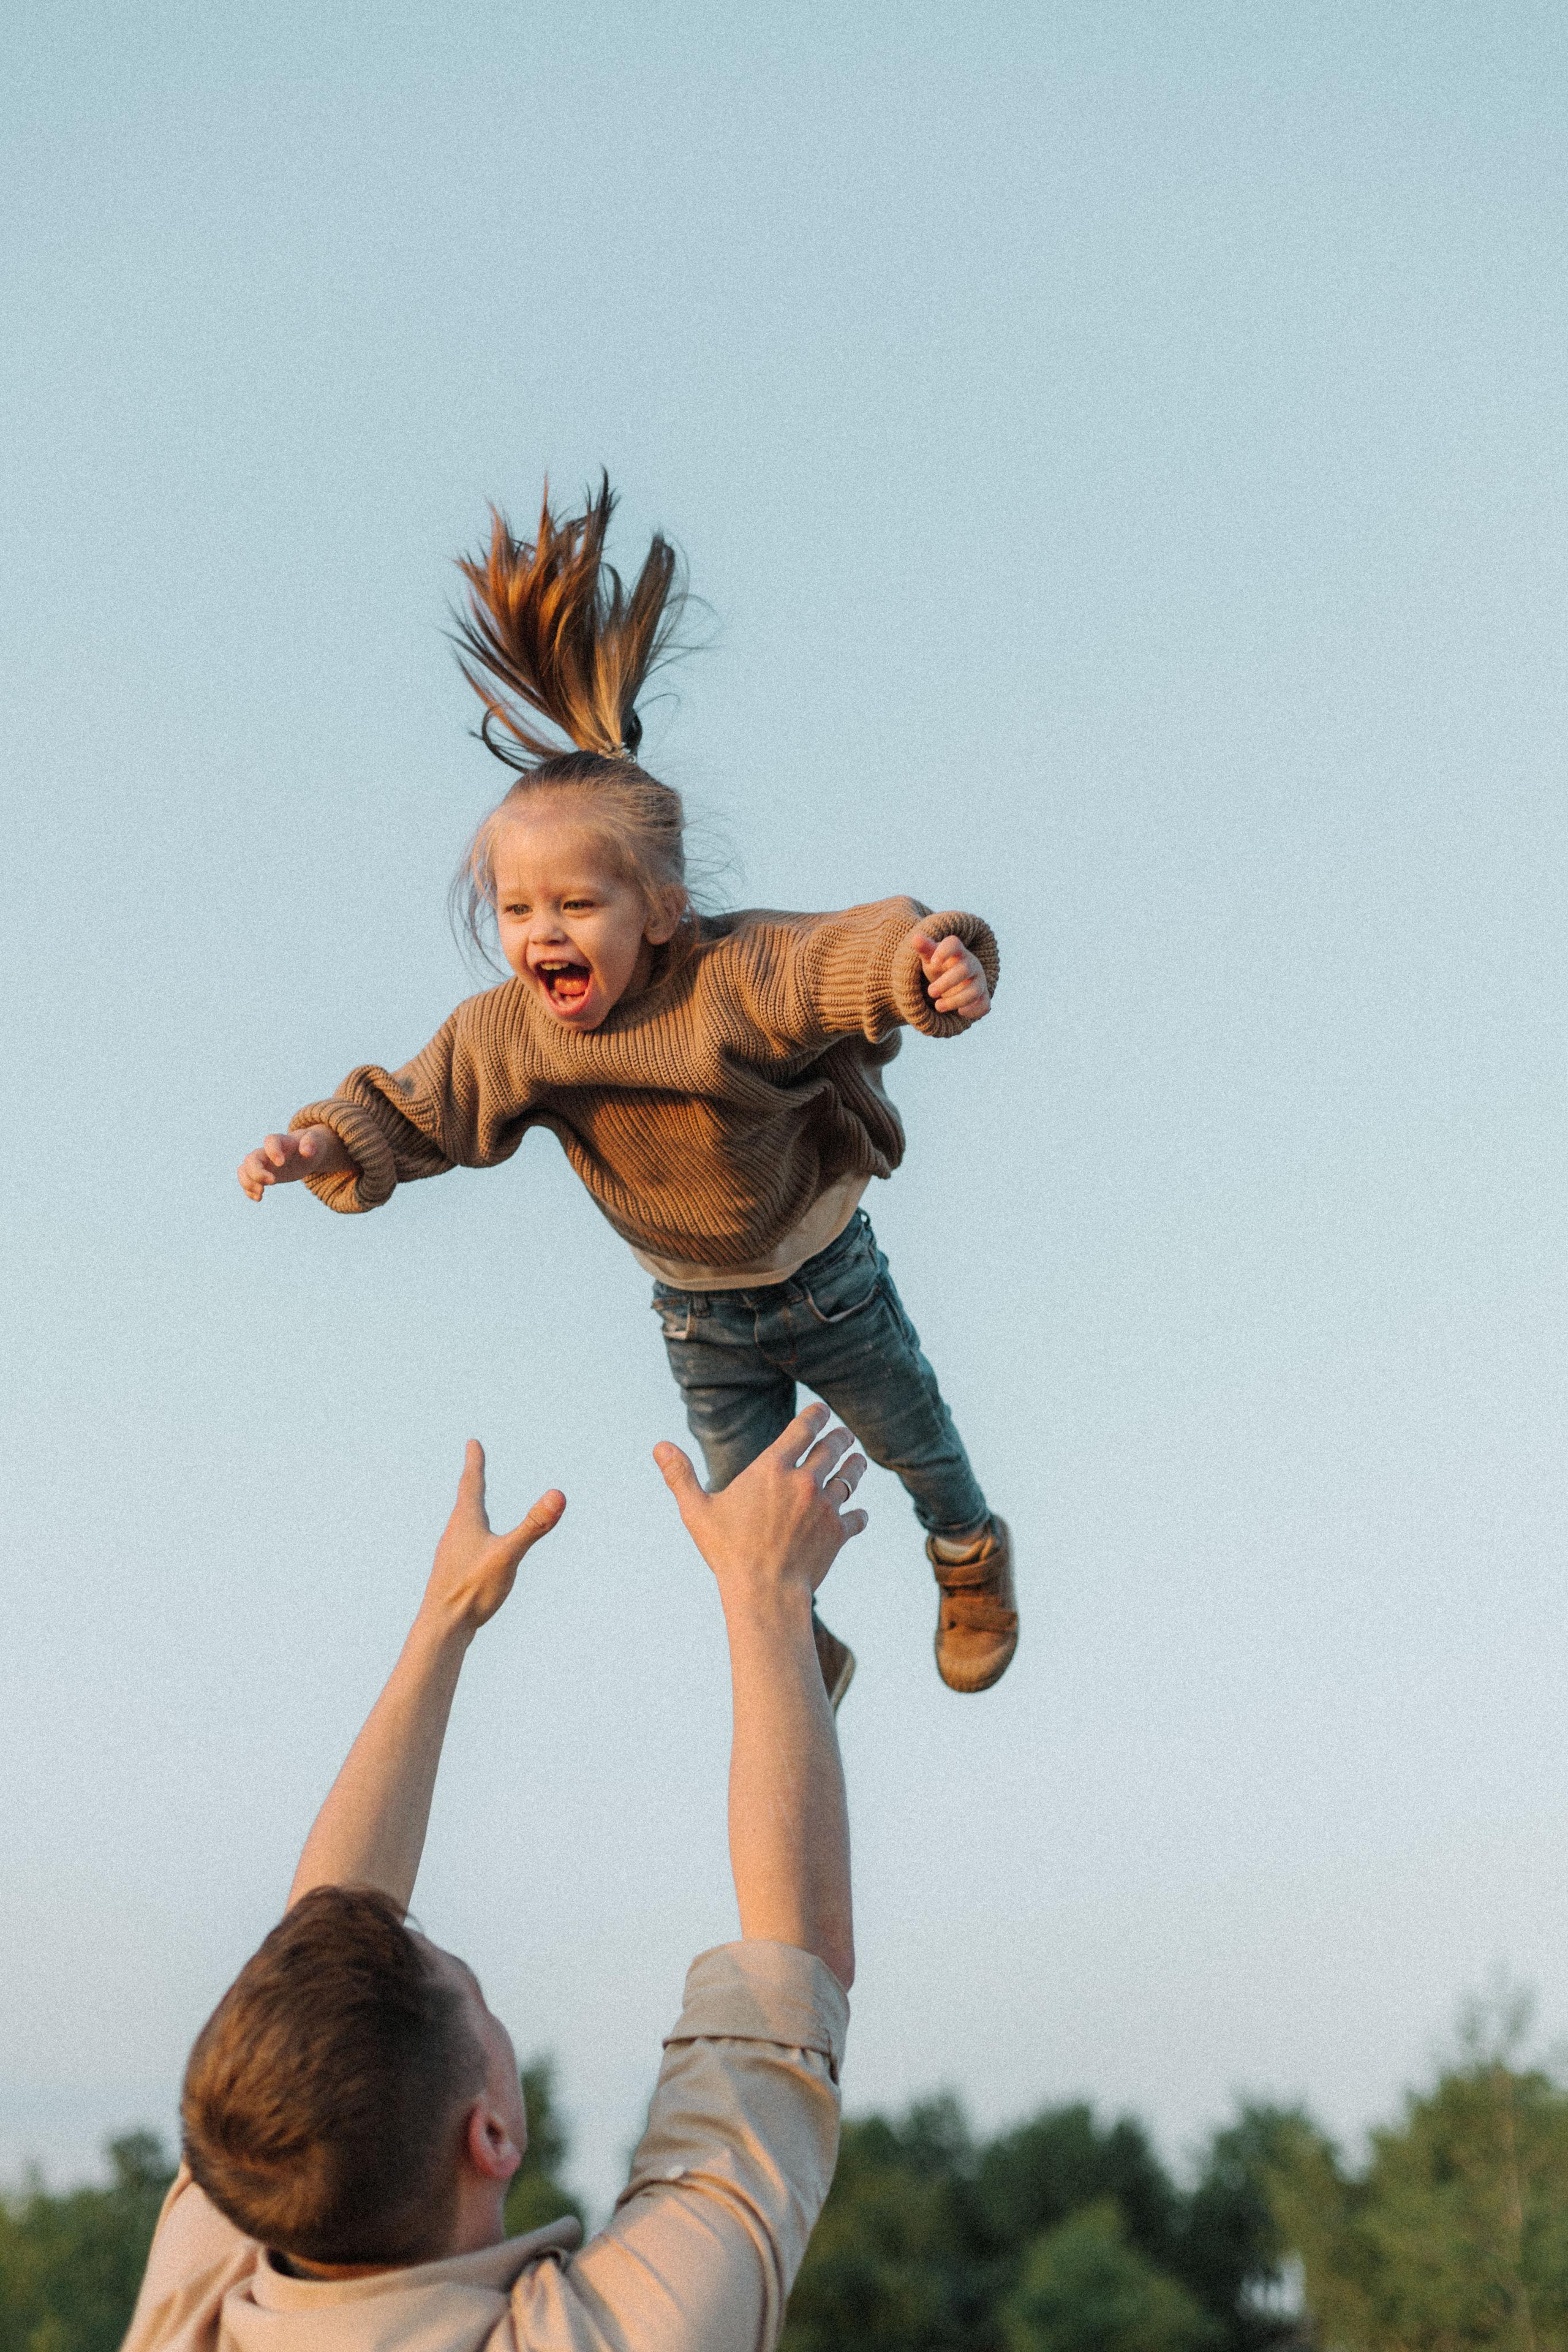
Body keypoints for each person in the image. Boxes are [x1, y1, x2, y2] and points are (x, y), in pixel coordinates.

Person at [235, 477, 1017, 1700]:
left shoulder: (730, 981)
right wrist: (326, 1146)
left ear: (658, 911)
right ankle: (798, 1644)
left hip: (827, 1282)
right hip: (698, 1316)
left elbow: (845, 957)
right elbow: (417, 1105)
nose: (541, 932)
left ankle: (967, 1549)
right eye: (516, 909)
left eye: (575, 904)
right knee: (741, 1513)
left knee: (908, 1436)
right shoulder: (514, 1036)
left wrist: (931, 964)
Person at [123, 1400, 866, 2351]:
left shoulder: (210, 2298)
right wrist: (768, 1586)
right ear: (491, 2135)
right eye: (478, 2000)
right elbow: (795, 1973)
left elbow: (315, 1955)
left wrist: (448, 1619)